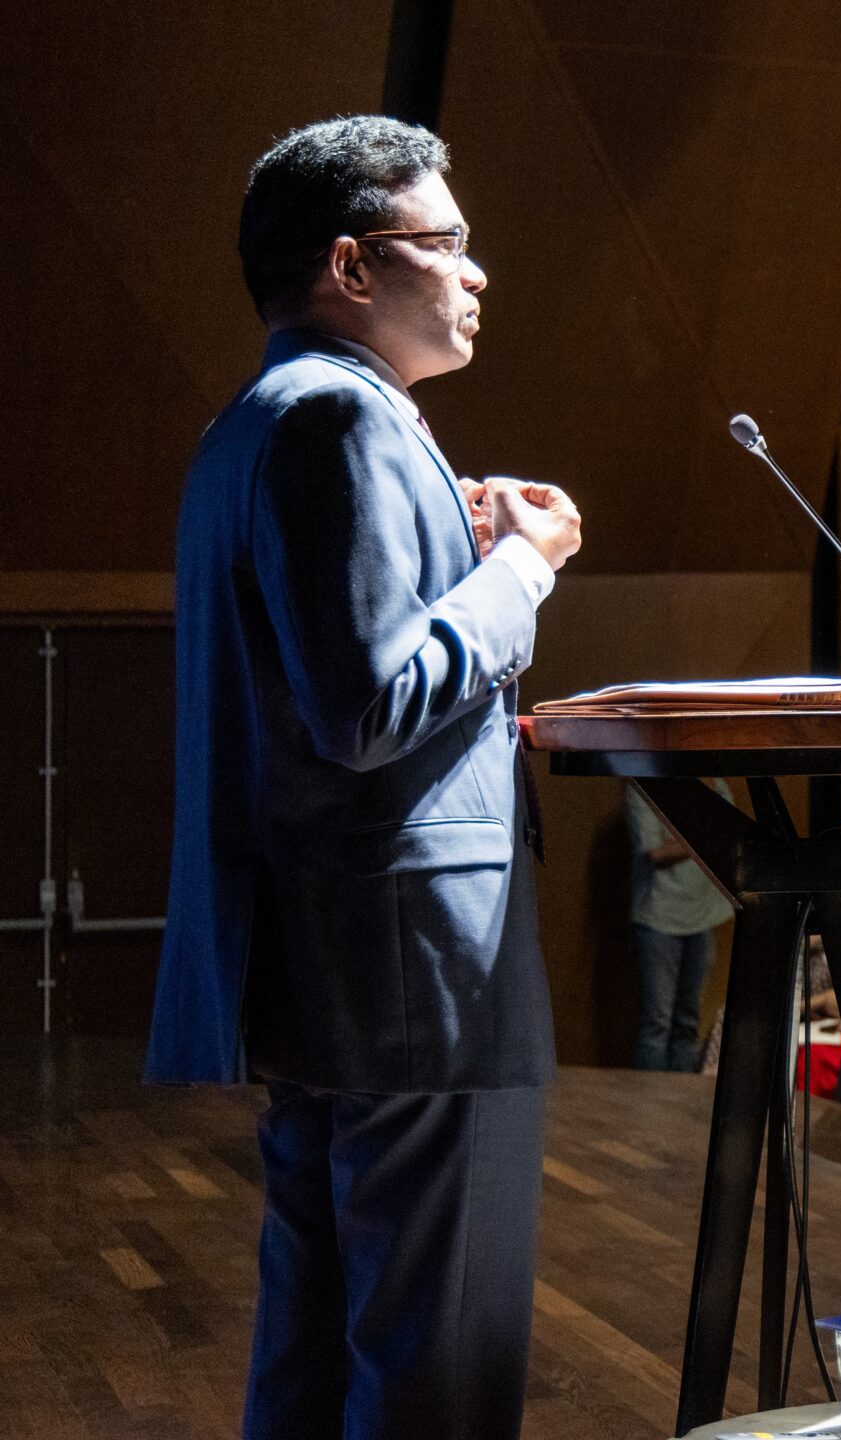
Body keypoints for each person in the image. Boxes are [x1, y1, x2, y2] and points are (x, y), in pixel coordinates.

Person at [151, 117, 583, 1440]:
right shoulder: (341, 417)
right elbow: (369, 701)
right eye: (444, 242)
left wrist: (456, 549)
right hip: (412, 982)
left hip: (327, 964)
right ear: (351, 265)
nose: (476, 271)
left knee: (323, 1352)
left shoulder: (256, 419)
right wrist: (525, 570)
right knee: (432, 1368)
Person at [628, 778, 735, 1072]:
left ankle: (679, 1104)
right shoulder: (644, 787)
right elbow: (654, 852)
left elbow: (729, 837)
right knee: (657, 1024)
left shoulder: (717, 786)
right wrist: (703, 832)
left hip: (702, 917)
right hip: (659, 919)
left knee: (689, 1022)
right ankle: (646, 1109)